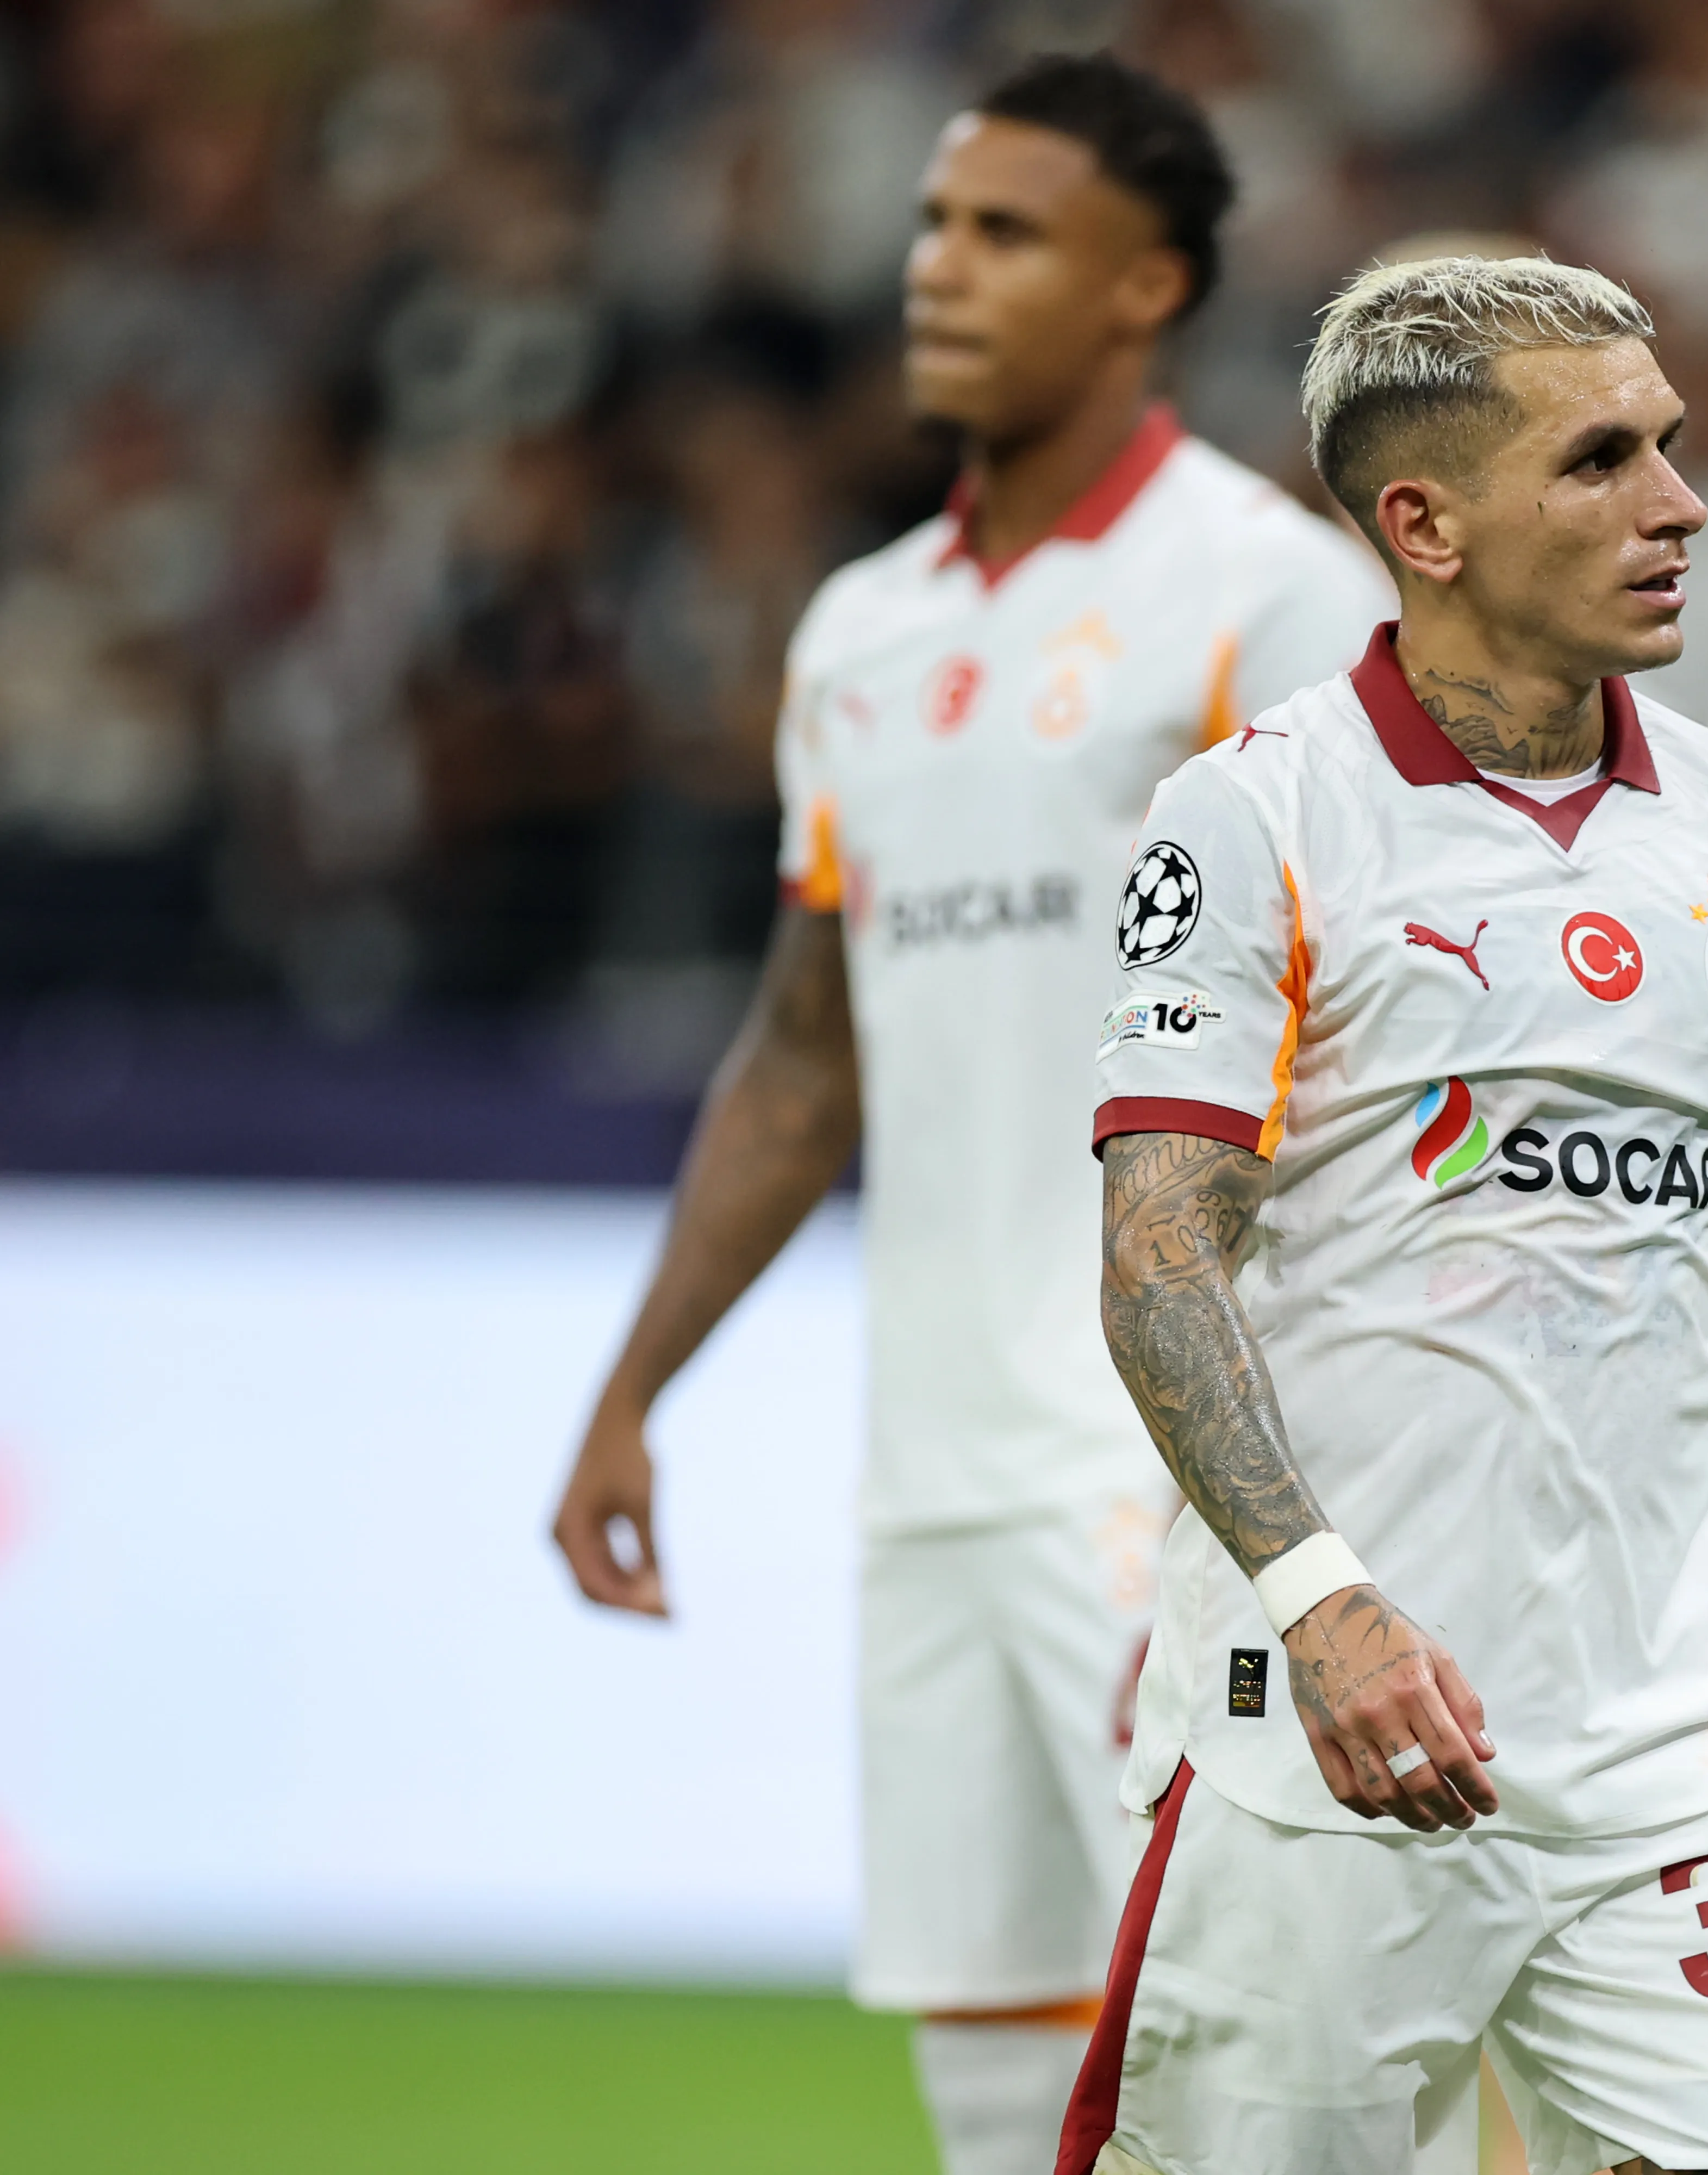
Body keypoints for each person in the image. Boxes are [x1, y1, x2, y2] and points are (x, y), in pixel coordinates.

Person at [546, 53, 1388, 2175]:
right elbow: (807, 1050)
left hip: (1172, 1470)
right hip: (929, 1470)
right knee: (1003, 2080)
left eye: (1005, 232)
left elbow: (1389, 1029)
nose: (938, 269)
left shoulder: (1267, 595)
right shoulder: (864, 632)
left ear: (1148, 285)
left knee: (1255, 2062)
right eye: (935, 224)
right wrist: (641, 1379)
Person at [1059, 254, 1708, 2175]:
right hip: (1336, 1750)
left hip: (1669, 1756)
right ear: (1422, 524)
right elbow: (1157, 1252)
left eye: (1671, 450)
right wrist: (1325, 1602)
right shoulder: (1260, 818)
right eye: (1601, 460)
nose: (1678, 504)